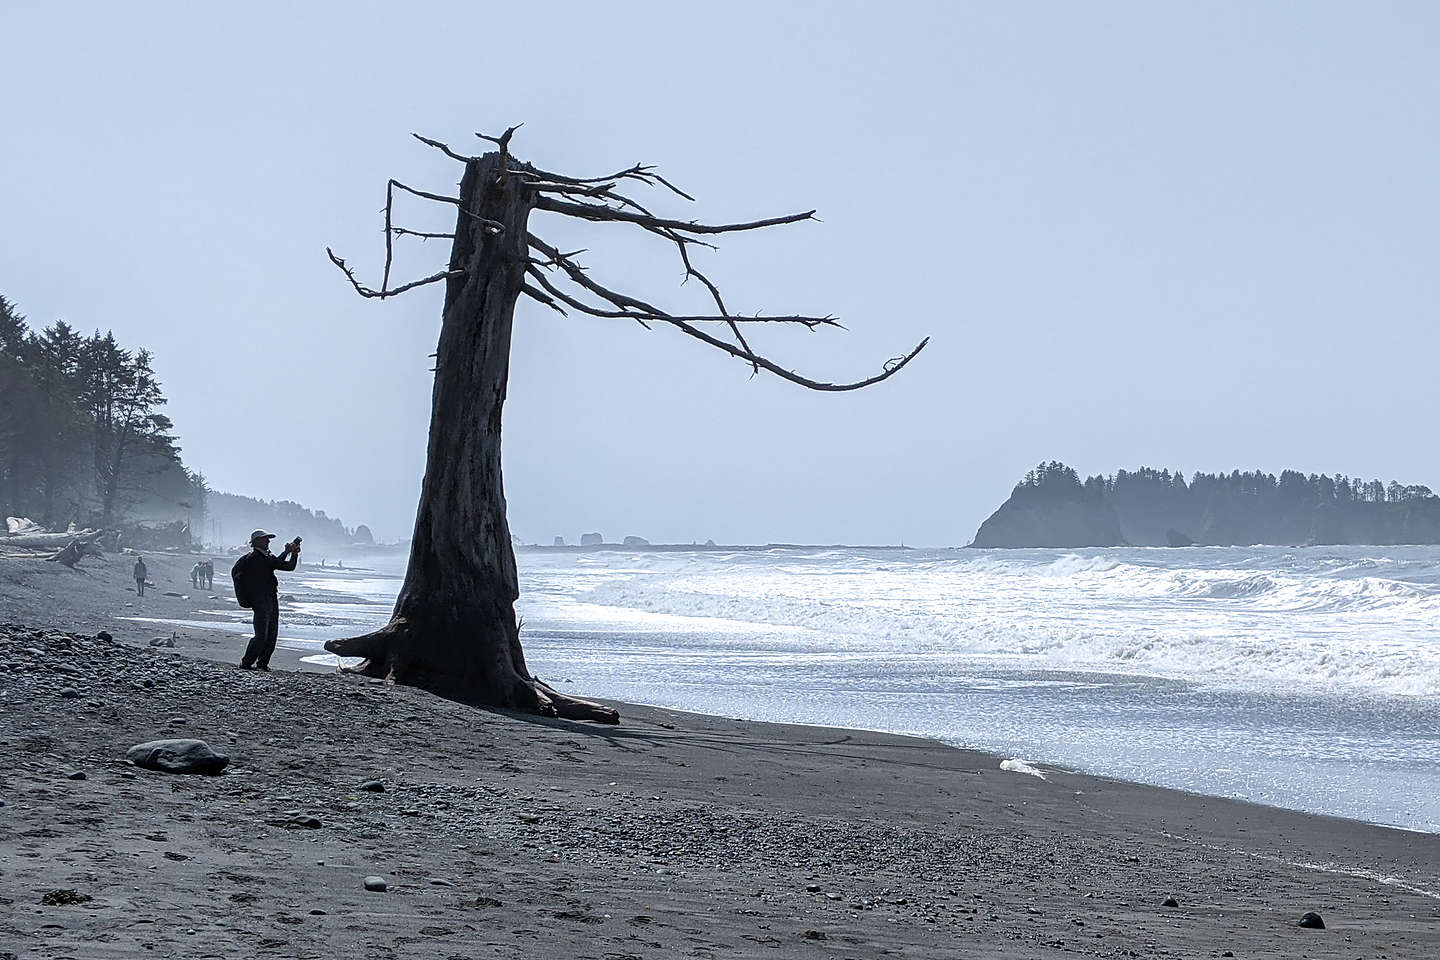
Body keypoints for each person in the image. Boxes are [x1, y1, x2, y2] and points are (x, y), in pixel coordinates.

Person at [237, 529, 301, 671]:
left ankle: (262, 664)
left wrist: (293, 554)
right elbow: (276, 564)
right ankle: (247, 663)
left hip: (270, 598)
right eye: (265, 539)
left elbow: (286, 566)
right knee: (262, 635)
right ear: (256, 542)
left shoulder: (265, 557)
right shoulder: (253, 559)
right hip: (260, 599)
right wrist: (288, 552)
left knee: (271, 634)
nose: (268, 541)